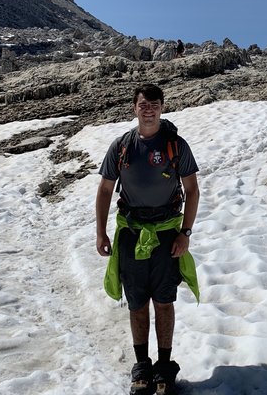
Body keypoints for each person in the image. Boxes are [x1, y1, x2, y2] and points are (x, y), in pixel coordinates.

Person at [96, 84, 200, 395]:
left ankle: (164, 369)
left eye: (154, 104)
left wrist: (186, 233)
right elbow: (104, 190)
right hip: (131, 233)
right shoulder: (122, 146)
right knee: (137, 302)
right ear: (134, 108)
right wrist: (100, 232)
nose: (149, 109)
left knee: (164, 302)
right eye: (143, 104)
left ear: (162, 107)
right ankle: (142, 368)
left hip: (167, 233)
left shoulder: (176, 145)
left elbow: (192, 190)